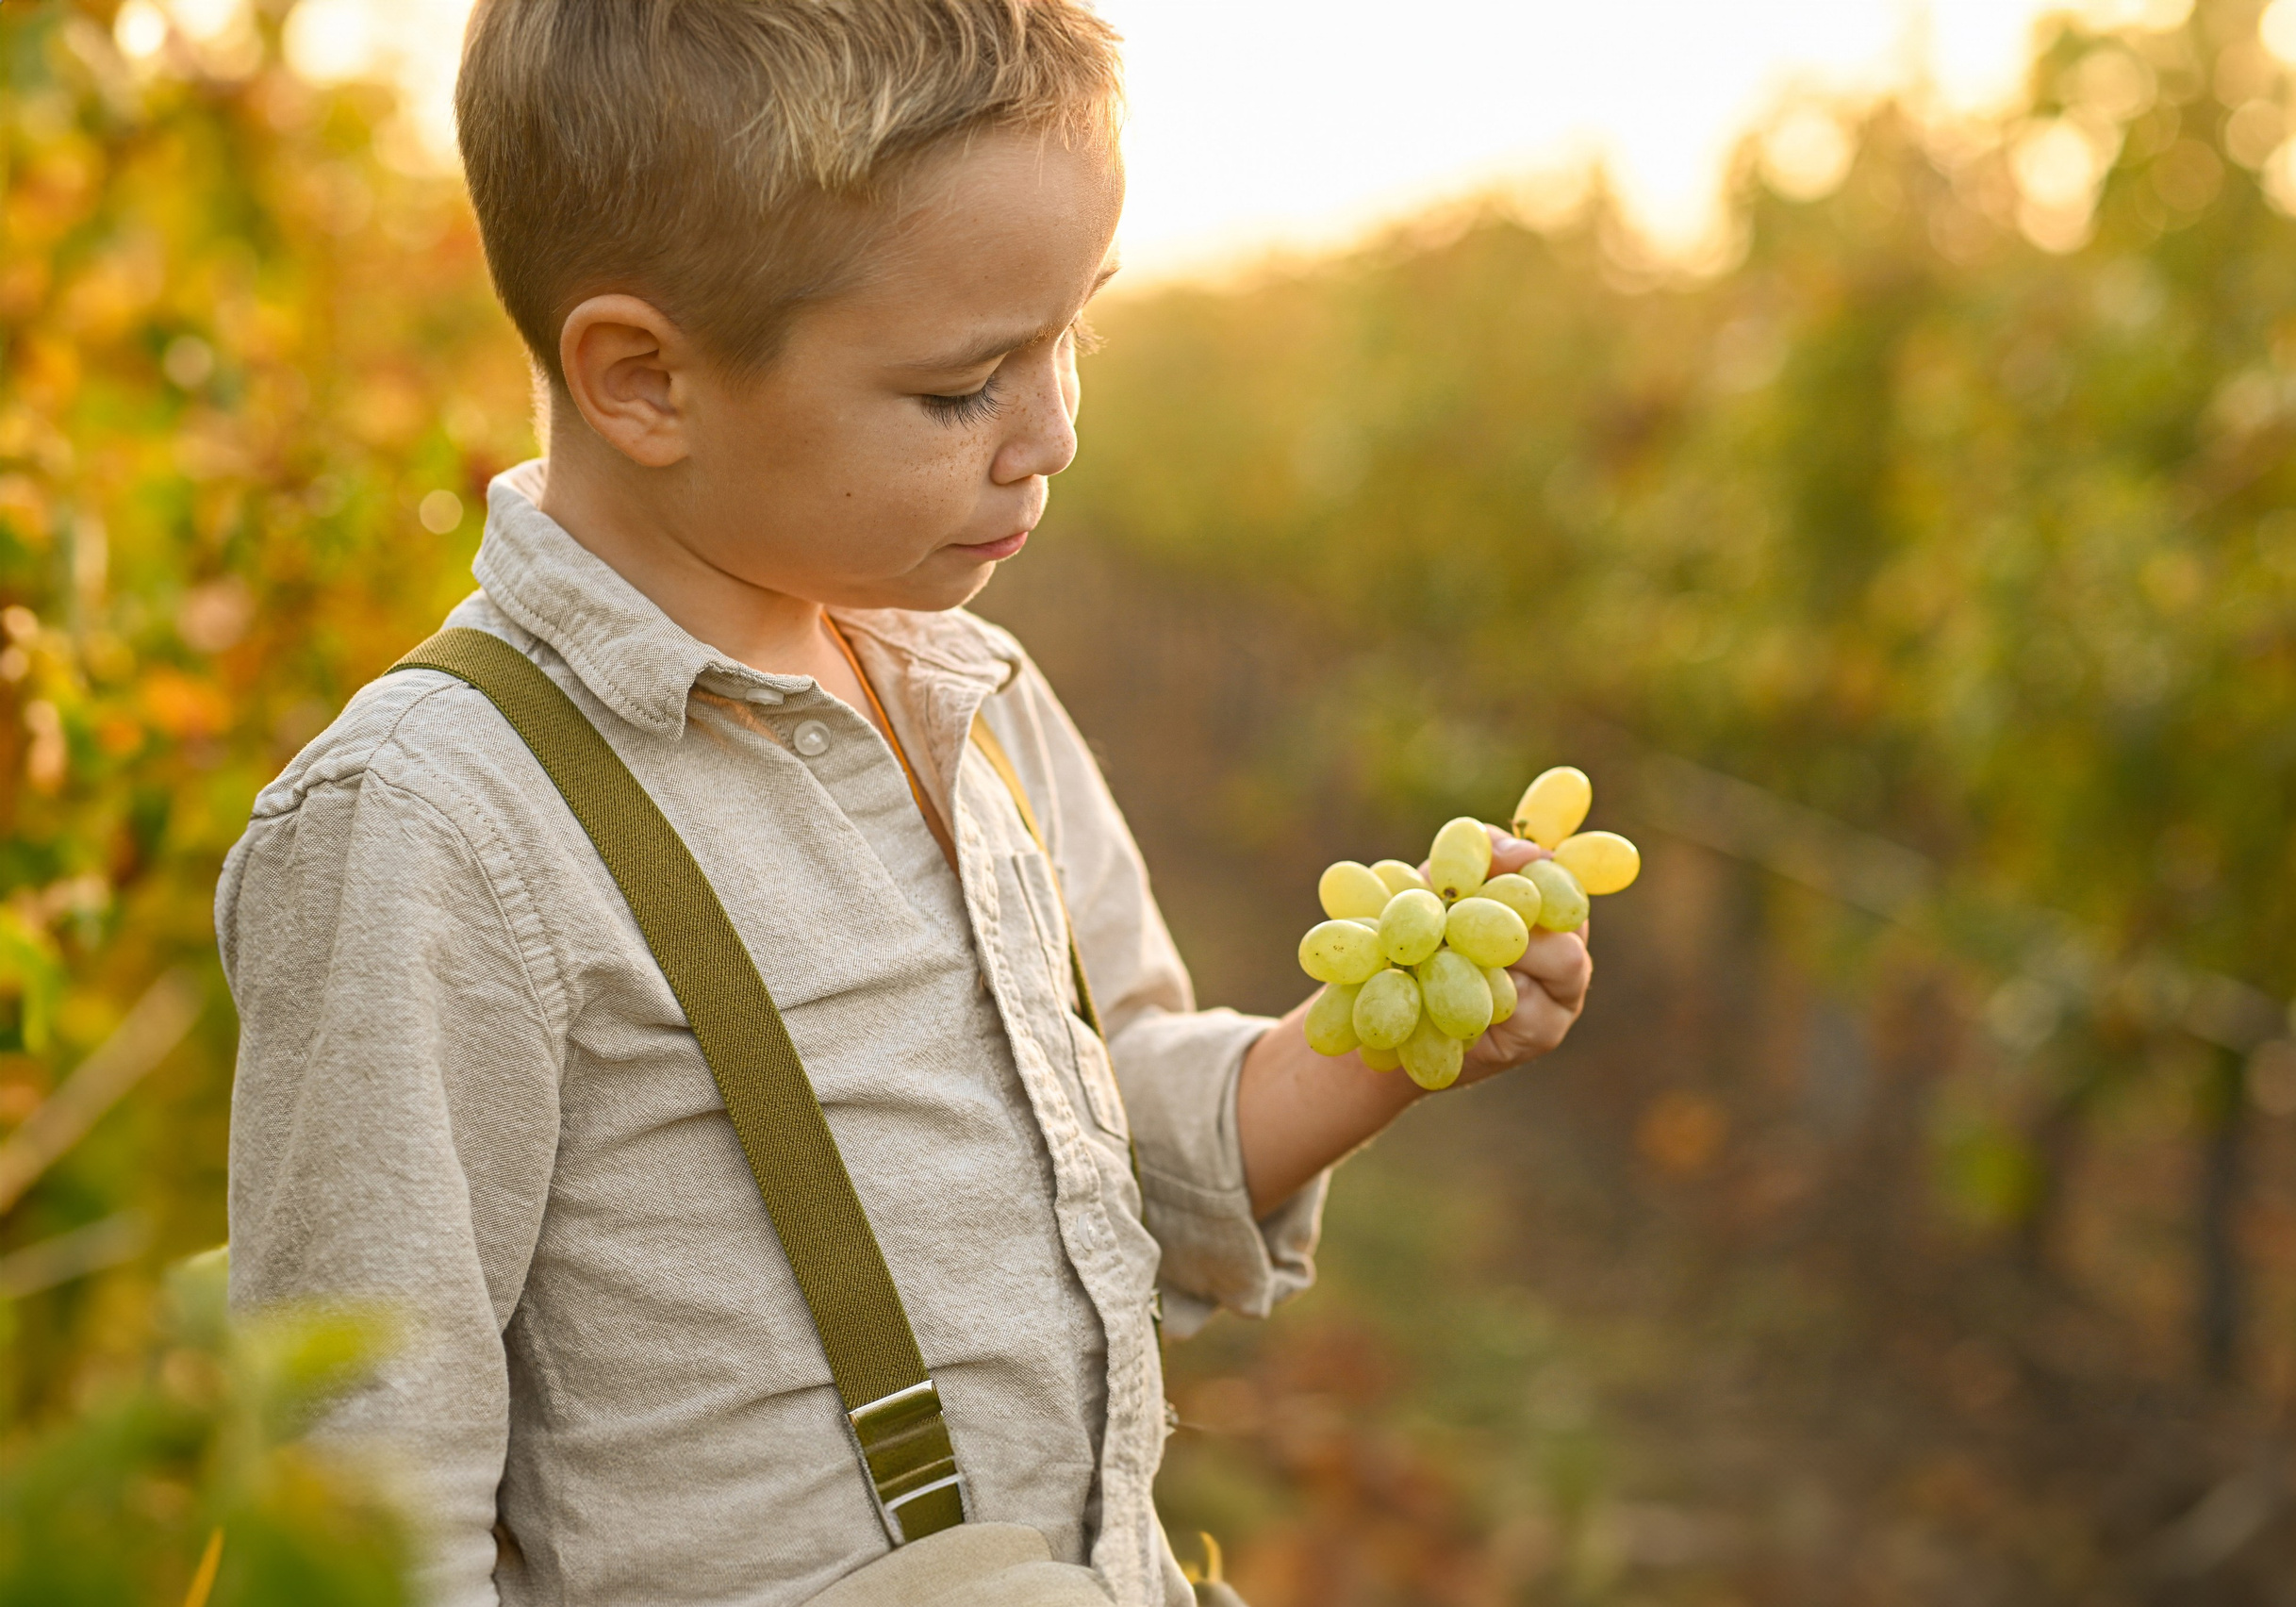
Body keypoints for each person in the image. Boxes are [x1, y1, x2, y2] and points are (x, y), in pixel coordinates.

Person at [215, 3, 1594, 1603]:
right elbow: (362, 1494)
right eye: (965, 389)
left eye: (1075, 337)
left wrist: (1371, 1050)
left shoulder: (972, 698)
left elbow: (1099, 1128)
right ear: (644, 382)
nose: (1053, 435)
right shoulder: (438, 828)